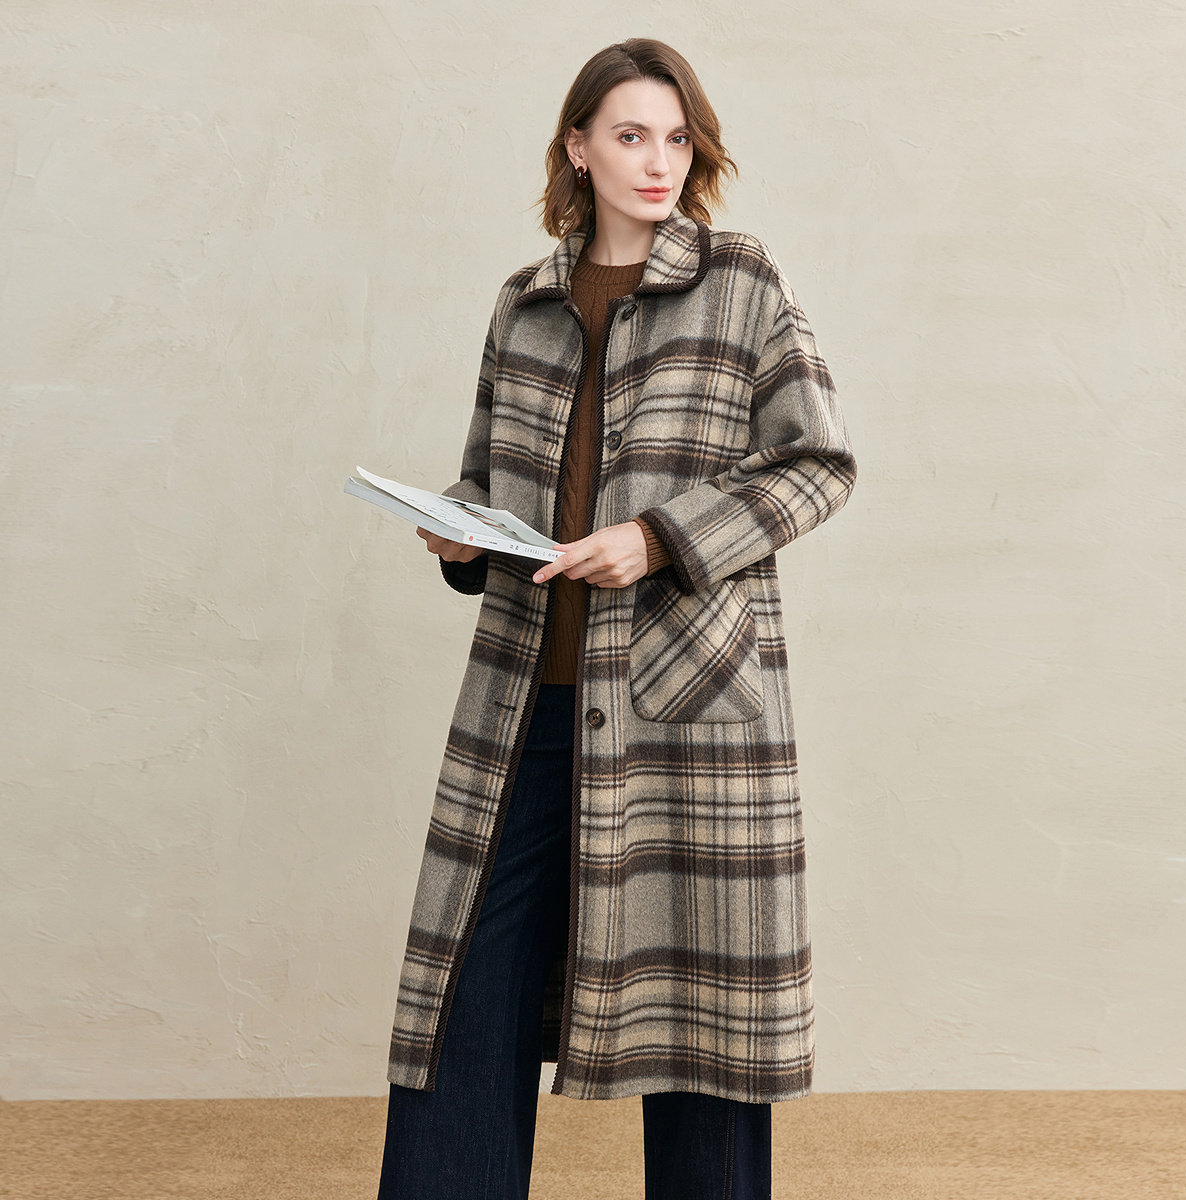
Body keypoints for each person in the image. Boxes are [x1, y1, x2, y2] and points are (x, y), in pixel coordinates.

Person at [377, 37, 856, 1200]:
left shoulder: (741, 282)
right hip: (524, 704)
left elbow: (817, 465)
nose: (657, 161)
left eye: (677, 138)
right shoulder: (525, 303)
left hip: (686, 704)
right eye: (631, 135)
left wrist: (658, 539)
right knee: (463, 1002)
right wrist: (461, 526)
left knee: (707, 1032)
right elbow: (490, 472)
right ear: (578, 148)